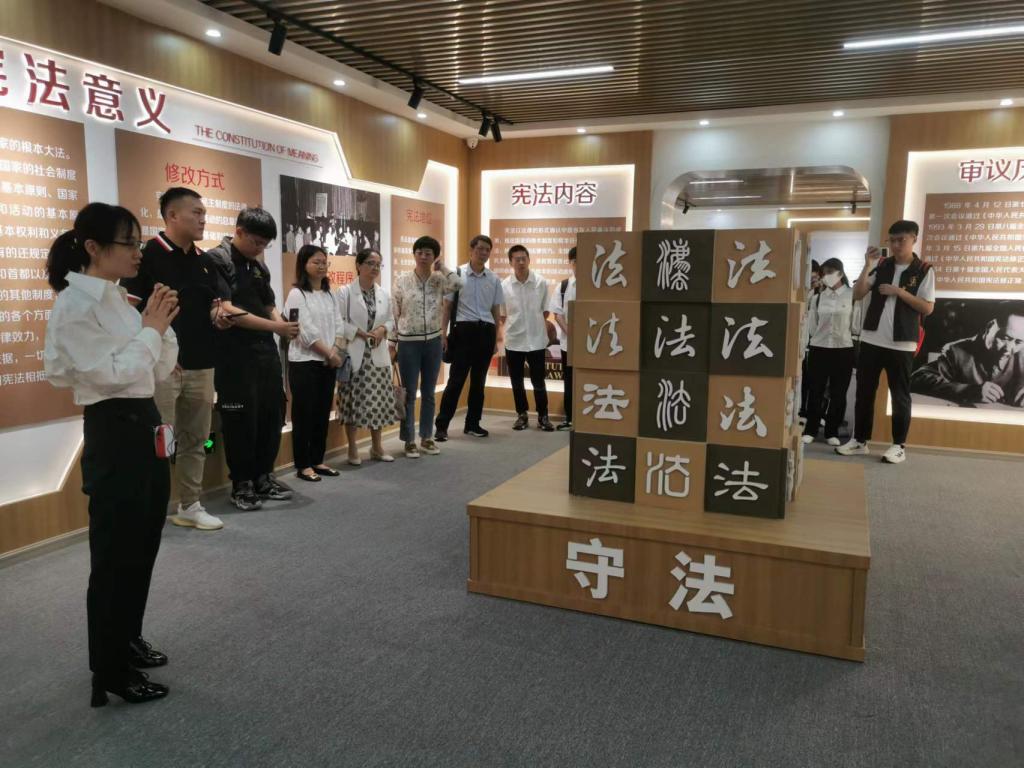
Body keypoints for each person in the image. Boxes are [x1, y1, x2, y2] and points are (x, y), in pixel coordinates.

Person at [44, 203, 179, 706]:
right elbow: (112, 374)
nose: (138, 252)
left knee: (143, 544)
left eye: (139, 242)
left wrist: (159, 327)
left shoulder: (120, 299)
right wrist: (152, 330)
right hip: (113, 428)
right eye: (129, 243)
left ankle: (128, 636)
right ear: (93, 247)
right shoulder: (74, 305)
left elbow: (156, 368)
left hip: (144, 420)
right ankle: (110, 669)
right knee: (115, 556)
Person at [121, 187, 227, 532]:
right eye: (196, 212)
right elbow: (127, 312)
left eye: (204, 213)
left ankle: (189, 505)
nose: (203, 219)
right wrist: (161, 351)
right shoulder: (147, 256)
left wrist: (219, 317)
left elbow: (210, 306)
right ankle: (148, 508)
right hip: (162, 368)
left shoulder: (205, 262)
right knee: (157, 441)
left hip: (202, 363)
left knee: (196, 439)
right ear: (172, 215)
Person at [208, 208, 300, 509]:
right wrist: (276, 327)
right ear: (239, 231)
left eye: (265, 244)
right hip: (234, 356)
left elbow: (268, 303)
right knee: (240, 421)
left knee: (270, 416)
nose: (260, 248)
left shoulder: (258, 266)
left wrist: (283, 326)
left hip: (265, 353)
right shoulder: (217, 260)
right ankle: (242, 484)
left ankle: (263, 477)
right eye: (256, 242)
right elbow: (227, 309)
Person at [836, 220, 935, 464]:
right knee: (864, 393)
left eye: (902, 240)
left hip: (902, 343)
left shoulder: (924, 269)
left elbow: (927, 307)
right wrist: (867, 265)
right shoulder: (881, 265)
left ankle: (898, 445)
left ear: (914, 239)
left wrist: (899, 292)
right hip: (871, 339)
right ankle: (860, 441)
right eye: (892, 240)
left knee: (900, 396)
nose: (896, 245)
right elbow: (858, 294)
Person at [390, 235, 463, 458]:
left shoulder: (440, 280)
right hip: (408, 343)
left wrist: (444, 268)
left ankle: (427, 437)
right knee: (410, 393)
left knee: (429, 392)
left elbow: (459, 284)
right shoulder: (402, 280)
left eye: (428, 253)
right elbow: (394, 313)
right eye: (419, 252)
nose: (423, 256)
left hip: (433, 341)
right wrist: (392, 343)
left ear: (434, 257)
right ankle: (409, 440)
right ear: (414, 255)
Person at [284, 245, 344, 482]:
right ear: (304, 264)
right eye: (315, 262)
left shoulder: (330, 294)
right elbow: (303, 331)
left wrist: (335, 351)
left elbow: (339, 324)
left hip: (328, 363)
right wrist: (329, 353)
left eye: (324, 262)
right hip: (305, 362)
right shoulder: (297, 294)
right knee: (304, 414)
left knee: (322, 413)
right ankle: (303, 464)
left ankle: (318, 459)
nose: (321, 266)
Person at [435, 235, 503, 440]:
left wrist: (496, 339)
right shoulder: (457, 274)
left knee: (479, 383)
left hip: (486, 332)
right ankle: (442, 426)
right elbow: (447, 307)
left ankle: (473, 424)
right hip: (463, 331)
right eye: (480, 248)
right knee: (455, 381)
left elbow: (496, 310)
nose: (483, 253)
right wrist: (443, 333)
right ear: (471, 250)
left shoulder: (494, 279)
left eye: (487, 250)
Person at [337, 249, 397, 463]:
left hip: (377, 356)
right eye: (370, 263)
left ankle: (377, 447)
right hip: (354, 355)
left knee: (377, 402)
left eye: (378, 264)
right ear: (358, 265)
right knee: (352, 402)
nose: (374, 268)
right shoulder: (345, 292)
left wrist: (382, 329)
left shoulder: (383, 293)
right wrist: (360, 333)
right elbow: (338, 322)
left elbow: (391, 320)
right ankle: (352, 448)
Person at [910, 304, 1024, 406]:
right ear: (990, 328)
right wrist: (969, 391)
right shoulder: (957, 351)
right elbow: (917, 379)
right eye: (1005, 338)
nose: (1008, 348)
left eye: (1018, 342)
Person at [802, 257, 857, 446]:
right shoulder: (817, 298)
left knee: (838, 392)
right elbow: (812, 326)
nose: (825, 277)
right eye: (823, 274)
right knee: (815, 390)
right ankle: (811, 429)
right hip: (819, 348)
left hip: (843, 349)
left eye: (829, 273)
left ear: (840, 273)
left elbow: (855, 325)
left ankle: (831, 431)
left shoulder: (852, 295)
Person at [500, 244, 555, 431]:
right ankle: (521, 415)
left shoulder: (540, 282)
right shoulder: (504, 286)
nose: (521, 262)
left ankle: (543, 416)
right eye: (517, 259)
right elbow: (503, 315)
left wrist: (534, 324)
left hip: (537, 339)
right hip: (514, 340)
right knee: (516, 381)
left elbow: (545, 311)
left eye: (524, 258)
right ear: (511, 262)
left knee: (538, 381)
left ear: (529, 260)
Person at [551, 246, 577, 430]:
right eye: (575, 262)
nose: (579, 265)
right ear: (570, 263)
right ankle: (569, 418)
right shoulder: (564, 286)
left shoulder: (595, 287)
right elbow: (557, 313)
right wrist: (570, 333)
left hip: (592, 344)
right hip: (569, 343)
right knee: (569, 381)